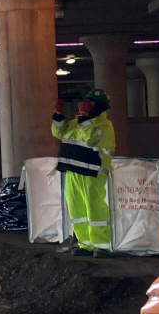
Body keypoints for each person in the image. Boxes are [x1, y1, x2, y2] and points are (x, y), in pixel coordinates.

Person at [52, 89, 116, 258]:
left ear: (99, 106)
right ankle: (85, 244)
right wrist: (58, 115)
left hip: (92, 173)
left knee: (96, 210)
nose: (87, 104)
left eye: (91, 102)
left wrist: (84, 118)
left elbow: (91, 139)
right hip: (73, 171)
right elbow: (58, 132)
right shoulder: (78, 121)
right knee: (77, 210)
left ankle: (102, 246)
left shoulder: (104, 125)